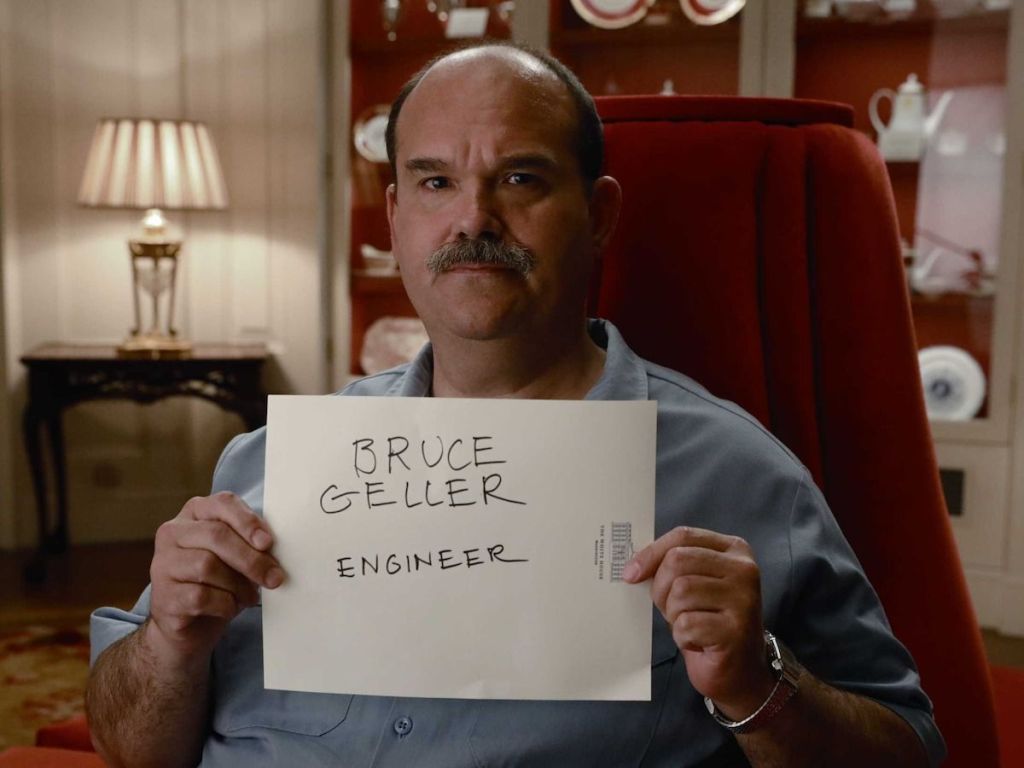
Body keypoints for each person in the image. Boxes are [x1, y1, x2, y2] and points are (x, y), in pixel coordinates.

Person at [86, 42, 946, 768]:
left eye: (520, 178)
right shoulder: (270, 462)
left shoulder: (740, 475)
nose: (474, 219)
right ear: (395, 219)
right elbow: (129, 746)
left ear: (598, 215)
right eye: (434, 182)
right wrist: (169, 641)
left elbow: (909, 749)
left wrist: (756, 684)